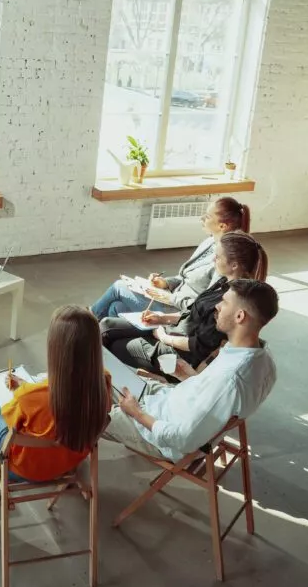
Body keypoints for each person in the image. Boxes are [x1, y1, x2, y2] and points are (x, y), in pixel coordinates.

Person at [0, 306, 111, 493]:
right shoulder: (103, 383)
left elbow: (11, 422)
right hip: (68, 464)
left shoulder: (32, 397)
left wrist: (24, 391)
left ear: (56, 349)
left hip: (22, 469)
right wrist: (27, 387)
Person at [104, 279, 278, 462]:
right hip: (169, 400)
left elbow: (183, 439)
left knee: (85, 411)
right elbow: (215, 398)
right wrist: (189, 376)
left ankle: (71, 463)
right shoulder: (263, 358)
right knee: (108, 374)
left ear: (240, 316)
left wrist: (136, 413)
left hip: (161, 434)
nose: (217, 306)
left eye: (225, 302)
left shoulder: (231, 379)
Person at [101, 231, 267, 376]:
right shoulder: (222, 282)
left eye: (218, 257)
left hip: (177, 352)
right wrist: (161, 318)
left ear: (234, 265)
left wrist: (164, 338)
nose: (213, 260)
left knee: (112, 343)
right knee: (107, 324)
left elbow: (198, 345)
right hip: (170, 331)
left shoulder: (230, 301)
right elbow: (191, 312)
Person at [91, 197, 251, 318]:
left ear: (222, 226)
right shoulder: (209, 242)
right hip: (170, 298)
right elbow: (186, 277)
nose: (202, 218)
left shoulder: (225, 261)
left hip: (178, 311)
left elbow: (205, 305)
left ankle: (83, 321)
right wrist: (165, 282)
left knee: (119, 287)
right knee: (116, 308)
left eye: (208, 217)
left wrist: (170, 297)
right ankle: (96, 344)